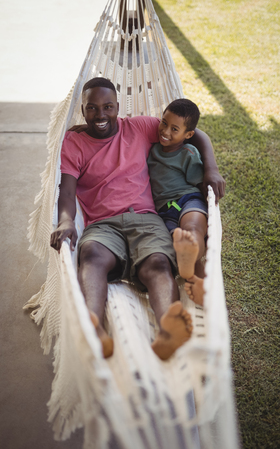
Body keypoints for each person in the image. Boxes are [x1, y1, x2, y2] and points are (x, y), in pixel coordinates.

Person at [50, 77, 225, 360]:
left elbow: (195, 133)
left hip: (146, 217)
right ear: (83, 111)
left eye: (107, 107)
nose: (101, 115)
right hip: (102, 223)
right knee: (92, 254)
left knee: (156, 263)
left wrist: (211, 169)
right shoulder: (73, 143)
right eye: (92, 108)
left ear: (118, 107)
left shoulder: (141, 127)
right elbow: (67, 192)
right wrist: (66, 221)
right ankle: (94, 329)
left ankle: (170, 330)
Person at [148, 99, 208, 305]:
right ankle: (197, 282)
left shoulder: (188, 154)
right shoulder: (151, 151)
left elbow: (200, 184)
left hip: (188, 199)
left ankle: (196, 277)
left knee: (192, 230)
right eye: (164, 123)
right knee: (178, 240)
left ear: (188, 135)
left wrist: (212, 207)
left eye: (175, 129)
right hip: (164, 212)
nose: (165, 131)